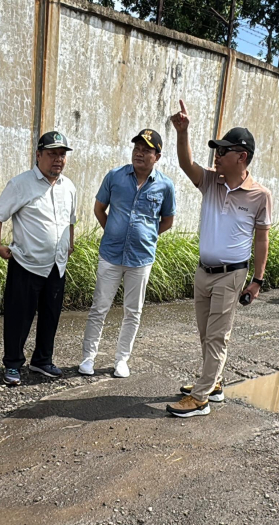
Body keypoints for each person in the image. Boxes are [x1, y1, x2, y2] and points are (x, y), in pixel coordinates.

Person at [164, 100, 272, 418]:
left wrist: (257, 280)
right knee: (205, 333)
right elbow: (187, 164)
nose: (217, 156)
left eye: (223, 151)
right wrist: (182, 133)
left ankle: (200, 399)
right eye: (217, 150)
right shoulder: (211, 181)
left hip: (231, 275)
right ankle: (215, 382)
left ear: (242, 156)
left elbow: (262, 238)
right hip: (204, 272)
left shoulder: (259, 195)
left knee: (216, 335)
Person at [79, 128, 176, 379]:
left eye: (146, 150)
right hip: (110, 255)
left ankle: (121, 360)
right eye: (136, 148)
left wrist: (148, 236)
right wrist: (112, 231)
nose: (139, 154)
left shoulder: (165, 186)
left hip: (140, 259)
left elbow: (167, 221)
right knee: (99, 307)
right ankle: (88, 358)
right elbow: (100, 208)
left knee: (133, 311)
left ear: (158, 156)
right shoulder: (115, 177)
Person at [0, 131, 78, 386]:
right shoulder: (21, 184)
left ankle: (42, 360)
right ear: (38, 155)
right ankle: (13, 364)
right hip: (26, 263)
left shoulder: (68, 186)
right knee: (19, 316)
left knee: (51, 315)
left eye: (62, 155)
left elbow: (70, 220)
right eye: (52, 154)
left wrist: (69, 244)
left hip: (57, 264)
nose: (58, 160)